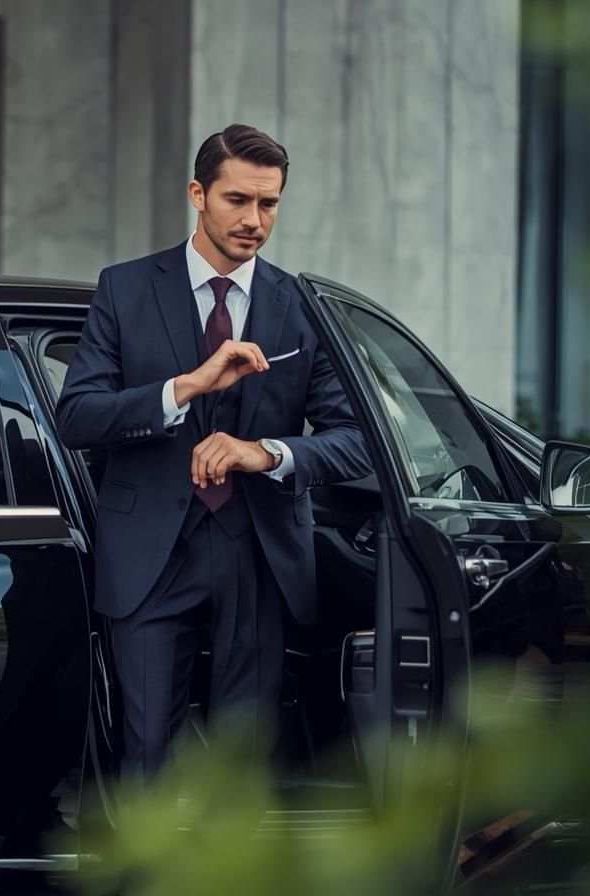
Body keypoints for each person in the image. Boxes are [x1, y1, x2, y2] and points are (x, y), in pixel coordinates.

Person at [55, 123, 369, 780]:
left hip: (259, 556)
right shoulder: (126, 288)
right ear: (198, 194)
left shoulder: (301, 307)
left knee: (240, 765)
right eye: (237, 200)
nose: (254, 220)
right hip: (149, 557)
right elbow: (77, 416)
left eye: (269, 203)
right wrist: (186, 387)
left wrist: (268, 452)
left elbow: (356, 442)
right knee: (146, 761)